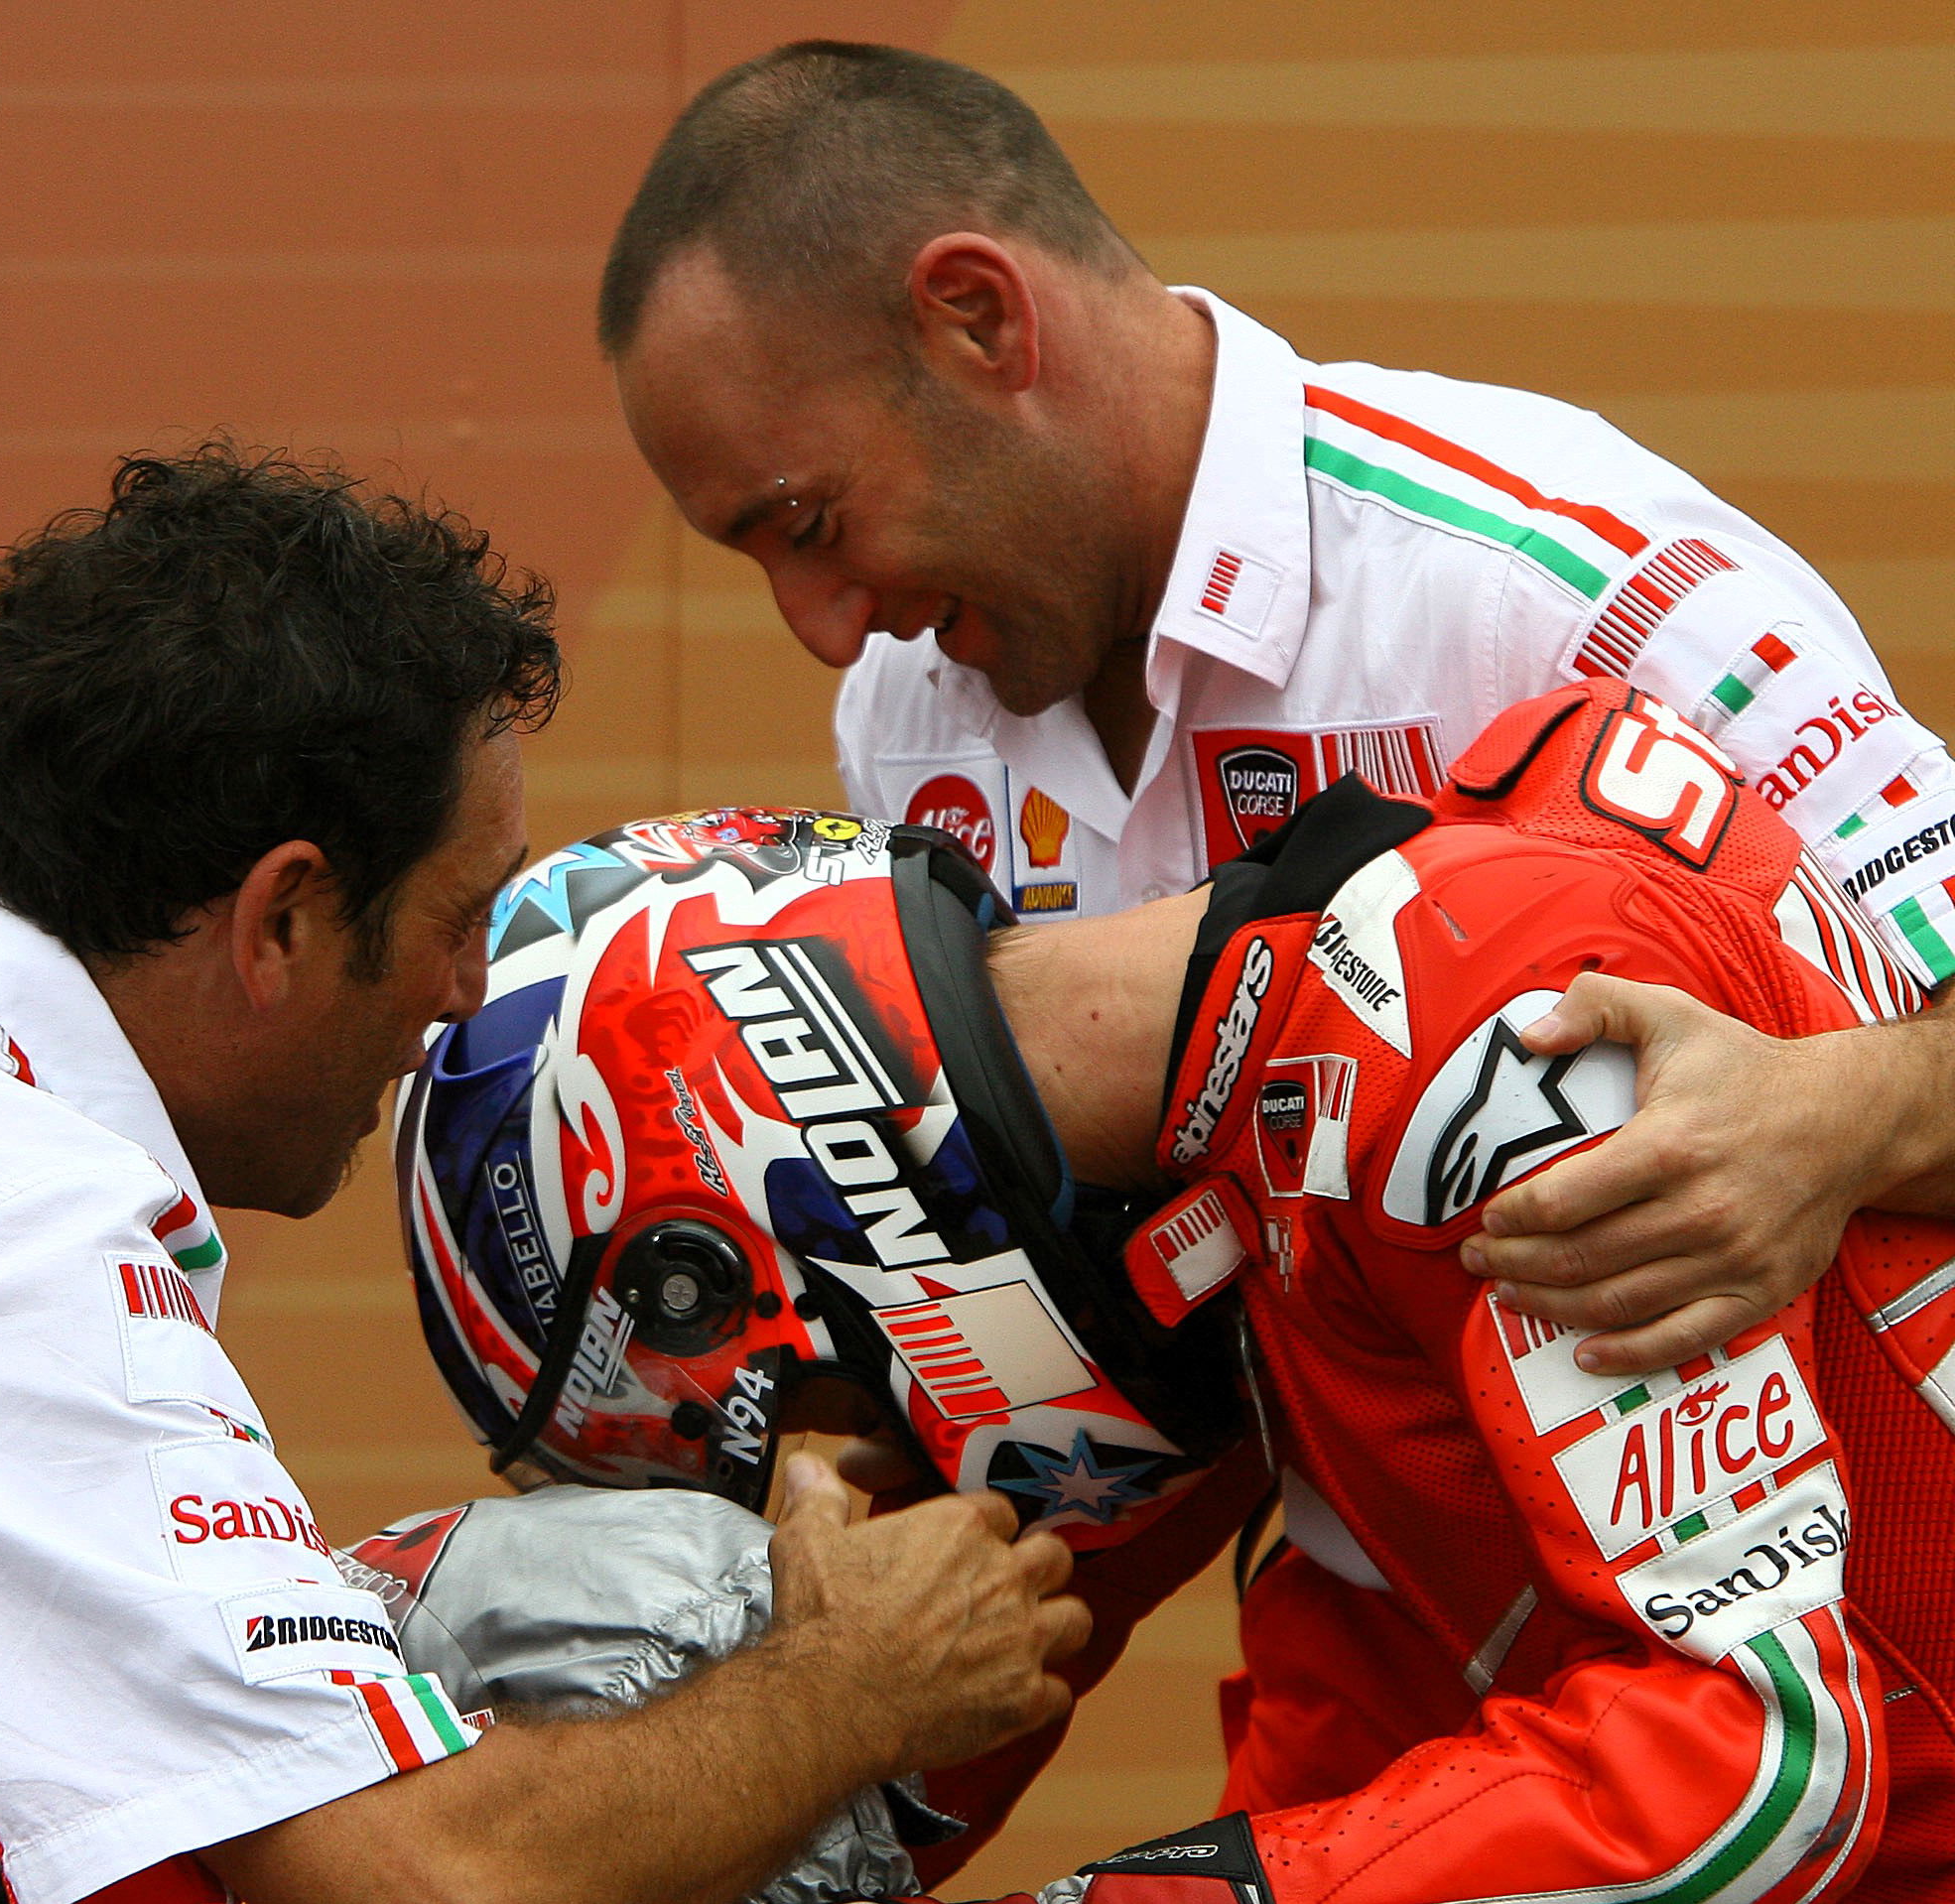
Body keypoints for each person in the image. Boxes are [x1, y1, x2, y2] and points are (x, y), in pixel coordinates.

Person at [409, 687, 1955, 1904]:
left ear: (798, 1217)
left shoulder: (1481, 1039)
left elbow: (1762, 1766)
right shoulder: (1238, 1106)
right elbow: (994, 1691)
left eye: (817, 1431)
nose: (857, 1494)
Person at [0, 445, 1084, 1904]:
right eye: (462, 917)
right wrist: (857, 1681)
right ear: (285, 918)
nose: (469, 994)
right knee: (626, 1630)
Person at [597, 39, 1955, 1381]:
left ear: (979, 317)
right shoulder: (903, 709)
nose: (822, 628)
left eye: (809, 523)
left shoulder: (1551, 584)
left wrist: (1834, 1121)